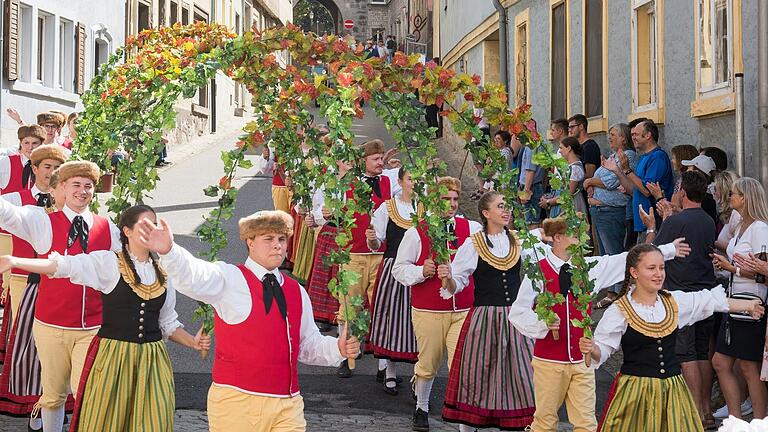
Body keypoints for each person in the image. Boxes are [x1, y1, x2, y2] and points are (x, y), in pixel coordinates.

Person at [134, 210, 361, 432]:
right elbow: (194, 275)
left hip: (288, 404)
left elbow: (307, 344)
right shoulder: (230, 278)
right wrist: (170, 251)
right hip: (237, 403)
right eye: (269, 239)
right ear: (249, 242)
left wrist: (337, 348)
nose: (277, 245)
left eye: (282, 239)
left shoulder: (297, 291)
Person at [0, 205, 211, 431]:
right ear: (127, 232)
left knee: (154, 420)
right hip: (113, 358)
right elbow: (63, 265)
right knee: (108, 421)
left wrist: (192, 341)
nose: (152, 230)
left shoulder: (163, 272)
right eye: (144, 225)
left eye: (155, 224)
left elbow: (167, 322)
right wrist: (15, 261)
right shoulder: (109, 263)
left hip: (152, 362)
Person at [509, 216, 690, 432]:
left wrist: (669, 249)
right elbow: (517, 312)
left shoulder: (589, 267)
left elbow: (625, 259)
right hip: (549, 361)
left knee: (586, 424)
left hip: (582, 360)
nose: (582, 238)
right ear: (557, 237)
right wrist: (543, 322)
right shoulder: (538, 271)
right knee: (545, 421)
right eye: (575, 234)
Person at [580, 243, 763, 432]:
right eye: (651, 268)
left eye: (661, 267)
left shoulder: (672, 302)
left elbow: (709, 301)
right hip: (636, 393)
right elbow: (603, 349)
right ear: (634, 272)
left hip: (673, 391)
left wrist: (747, 306)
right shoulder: (619, 311)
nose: (658, 273)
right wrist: (592, 348)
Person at [0, 160, 120, 431]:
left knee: (87, 390)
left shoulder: (107, 226)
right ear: (62, 188)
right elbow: (9, 214)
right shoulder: (42, 220)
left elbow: (131, 259)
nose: (83, 190)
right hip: (50, 325)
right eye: (76, 184)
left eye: (88, 186)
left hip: (93, 326)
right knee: (53, 395)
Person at [441, 191, 546, 431]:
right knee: (477, 374)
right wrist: (447, 279)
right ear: (486, 214)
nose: (506, 210)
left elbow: (548, 262)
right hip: (485, 318)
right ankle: (469, 426)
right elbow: (457, 282)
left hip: (517, 318)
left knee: (521, 374)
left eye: (506, 205)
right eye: (500, 206)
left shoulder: (520, 241)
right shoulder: (473, 243)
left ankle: (521, 424)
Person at [391, 176, 481, 432]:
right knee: (428, 363)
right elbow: (399, 270)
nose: (452, 204)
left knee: (461, 365)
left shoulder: (471, 229)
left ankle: (465, 422)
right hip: (428, 309)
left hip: (463, 308)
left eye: (455, 199)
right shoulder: (416, 232)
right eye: (446, 199)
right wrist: (422, 271)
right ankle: (421, 406)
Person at [639, 170, 718, 428]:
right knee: (703, 352)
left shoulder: (675, 222)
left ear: (682, 192)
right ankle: (706, 409)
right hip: (706, 292)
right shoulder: (707, 219)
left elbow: (652, 252)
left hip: (682, 295)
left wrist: (660, 222)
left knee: (686, 354)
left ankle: (695, 411)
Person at [0, 145, 66, 429]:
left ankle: (51, 406)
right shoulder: (17, 199)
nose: (51, 172)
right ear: (35, 168)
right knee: (30, 342)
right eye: (47, 167)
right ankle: (35, 407)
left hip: (62, 281)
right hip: (22, 278)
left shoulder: (68, 201)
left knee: (57, 346)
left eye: (56, 168)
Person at [335, 139, 400, 378]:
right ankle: (346, 355)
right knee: (349, 307)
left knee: (382, 307)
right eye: (375, 159)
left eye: (381, 158)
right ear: (363, 161)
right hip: (353, 254)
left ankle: (384, 366)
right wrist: (319, 216)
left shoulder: (388, 181)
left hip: (381, 254)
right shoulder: (346, 183)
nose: (380, 163)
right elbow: (323, 207)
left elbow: (409, 190)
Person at [710, 177, 768, 420]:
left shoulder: (759, 229)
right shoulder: (741, 226)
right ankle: (736, 416)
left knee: (748, 366)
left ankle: (758, 419)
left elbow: (762, 272)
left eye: (733, 193)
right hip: (734, 301)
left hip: (751, 302)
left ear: (745, 198)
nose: (729, 196)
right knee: (721, 362)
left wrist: (731, 268)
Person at [367, 168, 420, 394]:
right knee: (392, 318)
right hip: (393, 267)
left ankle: (421, 374)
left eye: (418, 179)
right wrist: (371, 241)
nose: (414, 183)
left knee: (418, 322)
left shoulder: (426, 208)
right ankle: (389, 371)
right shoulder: (387, 208)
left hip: (419, 270)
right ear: (400, 182)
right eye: (410, 179)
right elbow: (377, 243)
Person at [585, 123, 637, 308]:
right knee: (605, 254)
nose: (609, 137)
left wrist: (590, 181)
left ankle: (615, 292)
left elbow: (610, 181)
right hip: (599, 211)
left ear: (624, 138)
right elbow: (601, 180)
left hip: (611, 212)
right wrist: (591, 186)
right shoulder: (612, 157)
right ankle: (610, 290)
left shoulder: (627, 156)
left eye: (613, 134)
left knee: (614, 253)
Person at [603, 120, 674, 241]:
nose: (633, 138)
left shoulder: (657, 157)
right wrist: (618, 171)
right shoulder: (644, 157)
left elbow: (647, 191)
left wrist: (627, 170)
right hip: (642, 223)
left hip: (653, 221)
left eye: (636, 134)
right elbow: (633, 190)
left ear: (648, 135)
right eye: (632, 135)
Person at [540, 136, 587, 217]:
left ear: (569, 148)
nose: (560, 151)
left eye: (561, 148)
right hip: (561, 204)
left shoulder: (575, 168)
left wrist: (548, 202)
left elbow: (568, 194)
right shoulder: (568, 166)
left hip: (572, 205)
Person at [511, 133, 546, 228]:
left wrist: (526, 191)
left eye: (517, 137)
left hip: (531, 187)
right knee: (531, 220)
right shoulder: (538, 145)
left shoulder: (531, 147)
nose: (517, 140)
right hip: (534, 185)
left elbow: (530, 170)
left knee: (531, 221)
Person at [0, 125, 45, 194]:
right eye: (26, 143)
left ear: (41, 144)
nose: (30, 147)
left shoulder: (48, 165)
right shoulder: (6, 162)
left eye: (34, 143)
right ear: (21, 143)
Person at [567, 114, 601, 180]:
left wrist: (574, 182)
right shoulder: (579, 146)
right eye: (569, 127)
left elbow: (590, 174)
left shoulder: (590, 146)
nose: (569, 130)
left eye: (572, 127)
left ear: (581, 127)